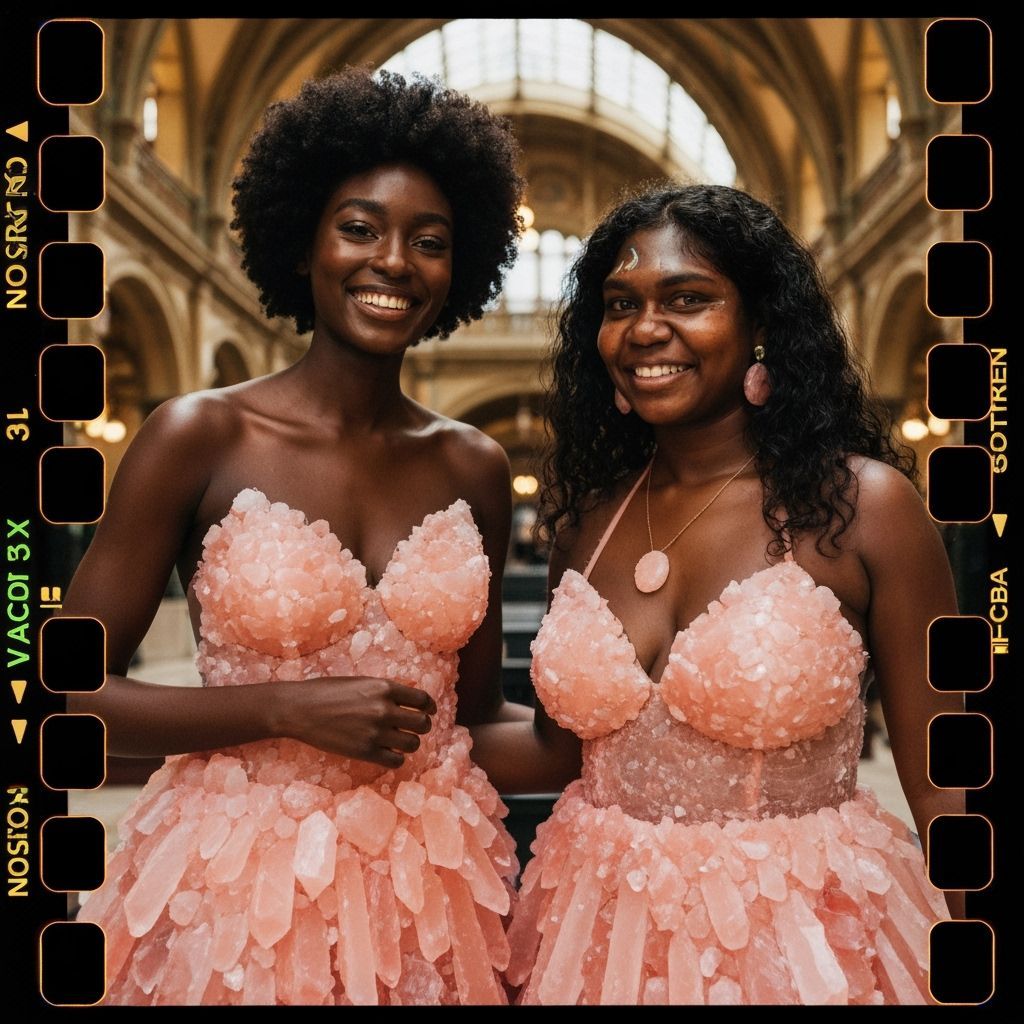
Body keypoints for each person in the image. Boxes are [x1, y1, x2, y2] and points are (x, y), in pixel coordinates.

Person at [69, 68, 529, 1005]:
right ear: (305, 239)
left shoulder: (474, 465)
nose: (393, 261)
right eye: (359, 227)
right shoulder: (198, 435)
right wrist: (283, 710)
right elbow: (64, 696)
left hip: (433, 887)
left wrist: (644, 731)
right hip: (236, 888)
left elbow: (471, 721)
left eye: (429, 242)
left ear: (463, 265)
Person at [503, 184, 963, 1005]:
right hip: (596, 938)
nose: (646, 329)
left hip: (804, 946)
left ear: (760, 325)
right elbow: (555, 747)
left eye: (688, 298)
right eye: (620, 304)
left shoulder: (865, 508)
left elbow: (946, 784)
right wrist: (338, 722)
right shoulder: (587, 521)